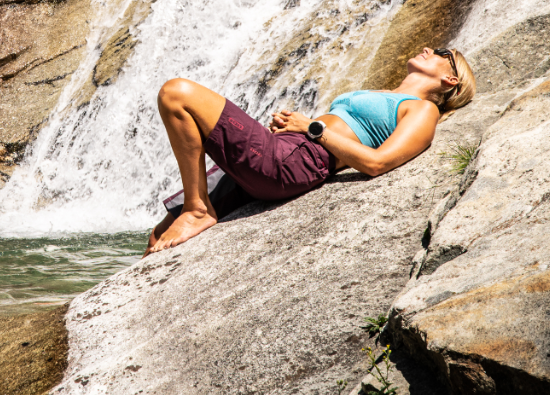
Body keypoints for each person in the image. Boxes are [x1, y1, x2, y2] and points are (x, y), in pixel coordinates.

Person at [146, 47, 475, 255]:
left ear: (450, 79)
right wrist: (292, 126)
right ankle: (192, 208)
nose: (427, 48)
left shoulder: (422, 110)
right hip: (286, 149)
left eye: (440, 52)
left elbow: (378, 163)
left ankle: (198, 208)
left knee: (176, 93)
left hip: (298, 161)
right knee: (158, 235)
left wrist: (311, 128)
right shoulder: (384, 93)